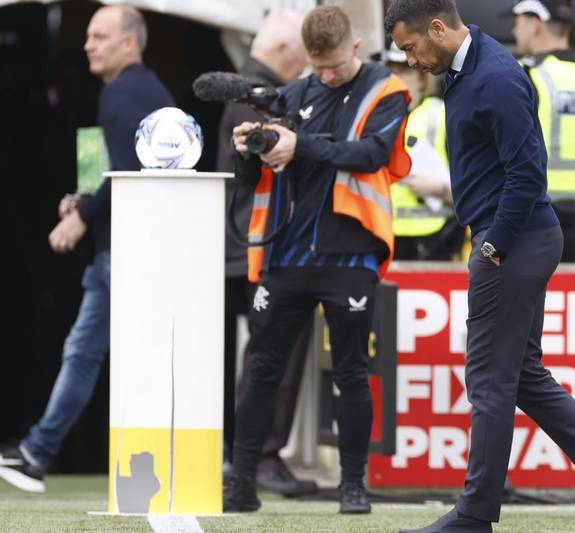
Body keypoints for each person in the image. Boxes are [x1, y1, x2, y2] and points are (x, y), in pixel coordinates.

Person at [386, 1, 575, 532]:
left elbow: (528, 173)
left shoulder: (494, 77)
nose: (411, 60)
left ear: (437, 29)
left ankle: (475, 515)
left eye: (411, 47)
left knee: (488, 383)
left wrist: (493, 246)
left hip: (511, 242)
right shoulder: (470, 68)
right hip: (518, 239)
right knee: (522, 377)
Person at [223, 5, 410, 514]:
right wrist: (251, 148)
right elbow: (270, 159)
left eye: (333, 66)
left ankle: (353, 485)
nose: (324, 76)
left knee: (351, 372)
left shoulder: (386, 90)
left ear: (354, 46)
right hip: (286, 254)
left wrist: (298, 144)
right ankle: (241, 481)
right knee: (262, 368)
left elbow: (369, 155)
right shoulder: (297, 92)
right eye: (316, 66)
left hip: (349, 256)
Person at [0, 5, 173, 493]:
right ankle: (40, 449)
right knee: (107, 354)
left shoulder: (120, 94)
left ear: (129, 43)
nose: (87, 45)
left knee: (87, 354)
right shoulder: (148, 89)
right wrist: (88, 201)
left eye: (99, 36)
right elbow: (133, 172)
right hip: (140, 248)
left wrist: (81, 216)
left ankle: (39, 451)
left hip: (124, 252)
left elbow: (129, 177)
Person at [215, 9, 317, 497]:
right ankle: (261, 456)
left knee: (255, 355)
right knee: (277, 350)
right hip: (261, 246)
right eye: (301, 60)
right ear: (280, 52)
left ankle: (243, 454)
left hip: (237, 246)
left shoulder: (240, 95)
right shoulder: (260, 100)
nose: (306, 69)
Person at [511, 0, 575, 263]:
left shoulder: (529, 73)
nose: (514, 31)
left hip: (532, 215)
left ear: (534, 25)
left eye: (518, 23)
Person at [381, 43, 463, 261]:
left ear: (422, 77)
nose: (396, 77)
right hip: (382, 235)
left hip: (434, 239)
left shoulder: (443, 116)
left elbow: (474, 188)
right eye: (392, 69)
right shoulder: (375, 118)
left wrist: (441, 189)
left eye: (405, 70)